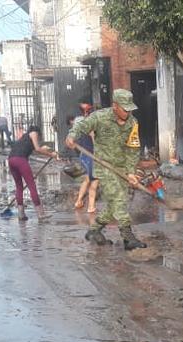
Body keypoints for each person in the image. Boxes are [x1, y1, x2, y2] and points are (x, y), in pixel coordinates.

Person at [65, 89, 145, 250]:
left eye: (130, 109)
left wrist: (130, 171)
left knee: (114, 204)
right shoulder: (100, 117)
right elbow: (82, 125)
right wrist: (72, 136)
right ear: (115, 106)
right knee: (119, 201)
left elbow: (133, 149)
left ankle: (94, 231)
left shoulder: (133, 123)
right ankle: (128, 238)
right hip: (103, 165)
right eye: (125, 108)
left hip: (121, 168)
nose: (128, 112)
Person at [7, 124, 57, 221]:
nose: (37, 137)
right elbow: (38, 149)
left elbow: (33, 149)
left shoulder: (24, 138)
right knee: (31, 186)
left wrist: (46, 150)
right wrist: (52, 154)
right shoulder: (33, 133)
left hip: (11, 159)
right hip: (20, 160)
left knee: (19, 187)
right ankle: (41, 214)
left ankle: (21, 215)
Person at [70, 105, 98, 213]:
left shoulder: (81, 124)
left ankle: (78, 201)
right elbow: (94, 139)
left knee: (87, 180)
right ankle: (91, 207)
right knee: (94, 180)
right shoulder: (90, 125)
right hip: (90, 155)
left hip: (83, 155)